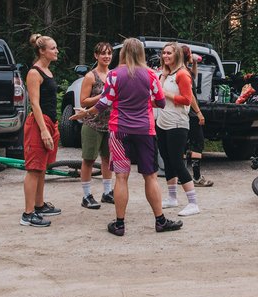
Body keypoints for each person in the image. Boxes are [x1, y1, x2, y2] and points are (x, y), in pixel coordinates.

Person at [70, 37, 182, 236]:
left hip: (119, 130)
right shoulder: (151, 75)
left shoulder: (113, 75)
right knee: (151, 176)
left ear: (122, 54)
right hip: (145, 131)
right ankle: (160, 221)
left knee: (121, 177)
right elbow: (162, 103)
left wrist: (85, 113)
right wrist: (145, 103)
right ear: (141, 53)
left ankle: (120, 224)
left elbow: (104, 103)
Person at [21, 34, 62, 228]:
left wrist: (53, 127)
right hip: (39, 124)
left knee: (42, 168)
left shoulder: (48, 71)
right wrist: (44, 131)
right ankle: (28, 214)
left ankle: (39, 205)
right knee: (34, 169)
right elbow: (35, 105)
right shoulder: (34, 73)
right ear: (42, 51)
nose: (56, 51)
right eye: (53, 48)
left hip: (49, 122)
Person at [156, 42, 200, 217]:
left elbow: (187, 99)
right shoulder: (167, 74)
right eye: (164, 53)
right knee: (166, 160)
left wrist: (166, 94)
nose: (166, 56)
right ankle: (172, 197)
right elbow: (157, 95)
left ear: (177, 55)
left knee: (177, 162)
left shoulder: (183, 74)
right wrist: (163, 77)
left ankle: (193, 202)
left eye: (169, 53)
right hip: (163, 121)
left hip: (177, 123)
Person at [77, 41, 115, 209]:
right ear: (96, 56)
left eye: (109, 53)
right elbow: (83, 101)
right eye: (103, 53)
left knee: (108, 159)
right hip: (92, 124)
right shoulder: (90, 76)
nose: (106, 56)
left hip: (110, 124)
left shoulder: (113, 75)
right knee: (89, 160)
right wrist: (102, 96)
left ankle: (107, 193)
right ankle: (86, 196)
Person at [182, 44, 213, 187]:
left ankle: (181, 176)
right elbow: (190, 95)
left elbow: (194, 76)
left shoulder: (183, 70)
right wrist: (199, 113)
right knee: (197, 143)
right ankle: (196, 177)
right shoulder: (183, 73)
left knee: (183, 145)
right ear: (187, 55)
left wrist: (194, 63)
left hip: (183, 113)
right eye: (190, 54)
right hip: (191, 113)